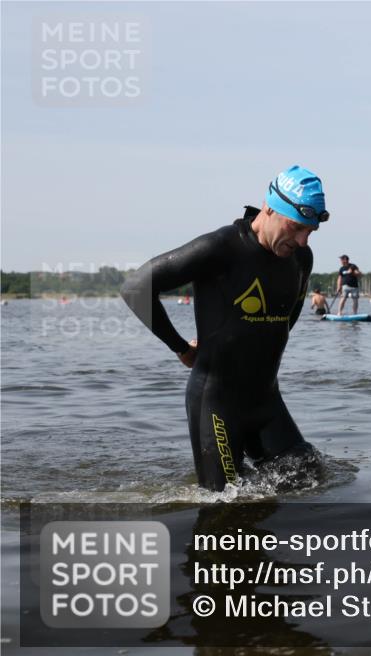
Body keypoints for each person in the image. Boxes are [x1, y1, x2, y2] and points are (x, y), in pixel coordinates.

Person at [121, 165, 327, 491]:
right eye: (297, 227)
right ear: (269, 208)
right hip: (216, 404)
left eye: (310, 232)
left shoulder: (301, 258)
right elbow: (136, 287)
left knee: (309, 477)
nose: (303, 240)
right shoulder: (221, 248)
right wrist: (181, 348)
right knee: (224, 505)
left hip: (266, 400)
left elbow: (287, 319)